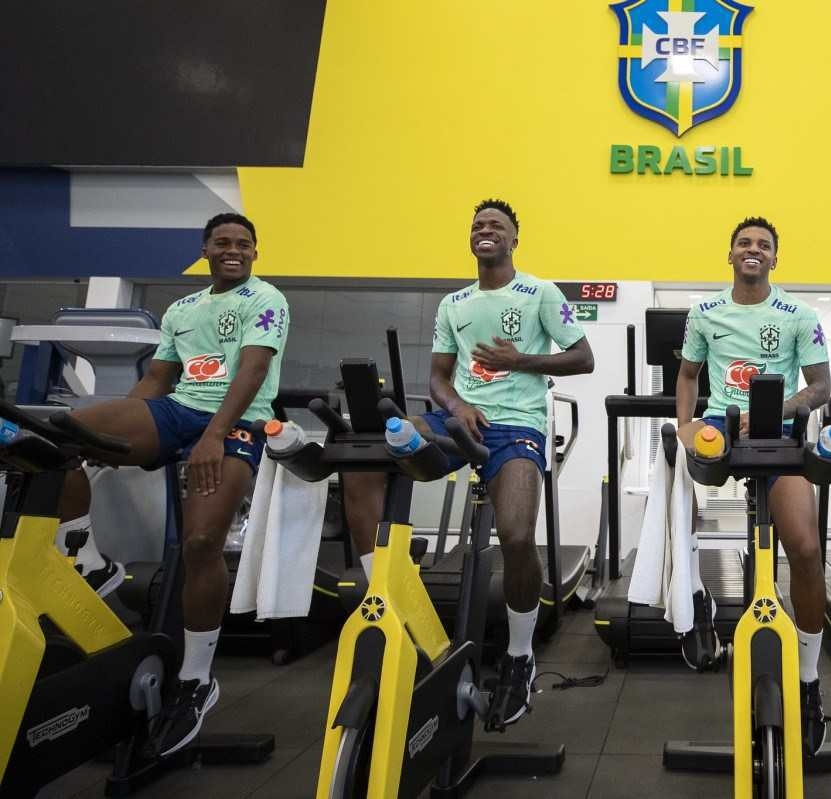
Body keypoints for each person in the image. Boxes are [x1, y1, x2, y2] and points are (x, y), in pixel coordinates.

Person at [341, 198, 594, 728]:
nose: (486, 231)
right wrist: (457, 405)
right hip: (458, 422)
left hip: (518, 427)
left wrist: (519, 360)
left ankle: (519, 655)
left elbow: (583, 357)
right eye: (478, 225)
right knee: (362, 454)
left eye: (497, 226)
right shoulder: (453, 303)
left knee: (519, 537)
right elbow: (438, 377)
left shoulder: (540, 293)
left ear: (514, 239)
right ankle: (390, 598)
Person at [57, 212, 290, 755]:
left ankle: (196, 678)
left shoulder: (267, 299)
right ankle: (88, 559)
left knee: (201, 544)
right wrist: (120, 436)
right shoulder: (183, 309)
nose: (233, 250)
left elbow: (252, 372)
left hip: (237, 422)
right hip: (177, 411)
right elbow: (159, 379)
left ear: (255, 253)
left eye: (244, 244)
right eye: (222, 243)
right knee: (62, 439)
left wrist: (214, 435)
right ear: (205, 250)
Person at [675, 216, 831, 755]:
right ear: (730, 254)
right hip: (722, 427)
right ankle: (696, 604)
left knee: (807, 550)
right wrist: (684, 425)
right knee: (680, 502)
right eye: (744, 243)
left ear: (774, 259)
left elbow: (820, 385)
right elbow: (689, 376)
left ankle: (809, 682)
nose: (753, 250)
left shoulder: (798, 313)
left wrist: (775, 408)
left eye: (764, 245)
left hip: (777, 430)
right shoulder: (705, 312)